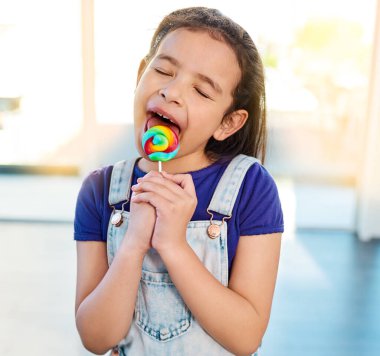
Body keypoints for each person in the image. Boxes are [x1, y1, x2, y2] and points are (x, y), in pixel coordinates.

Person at [74, 6, 284, 356]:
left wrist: (173, 245)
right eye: (163, 70)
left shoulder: (251, 187)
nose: (172, 91)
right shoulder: (99, 190)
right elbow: (97, 338)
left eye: (202, 91)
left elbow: (246, 338)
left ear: (228, 123)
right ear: (142, 73)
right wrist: (133, 244)